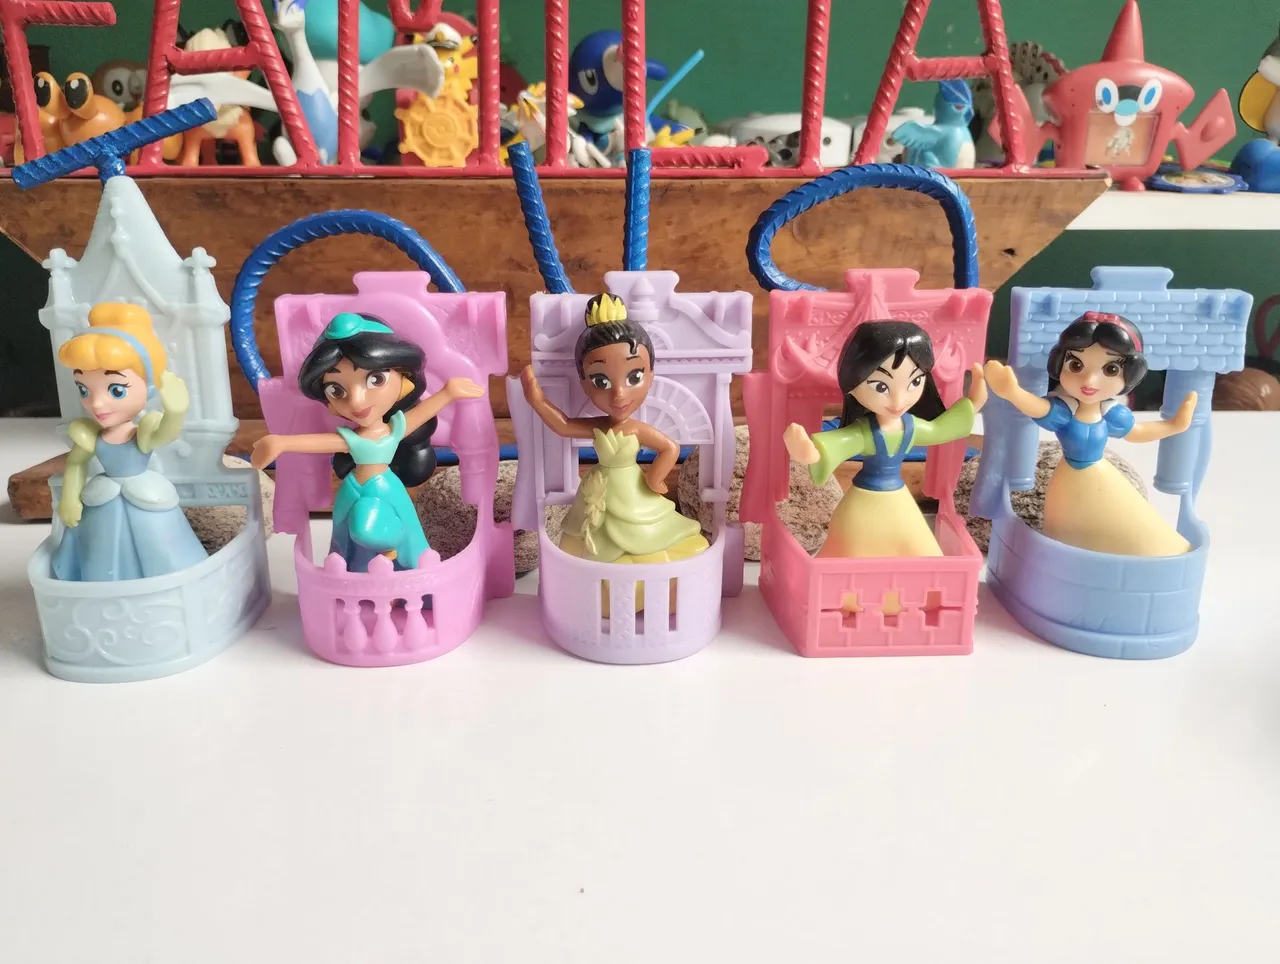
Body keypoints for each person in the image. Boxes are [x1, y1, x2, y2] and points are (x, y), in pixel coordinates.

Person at [250, 312, 484, 572]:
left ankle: (392, 549)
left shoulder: (392, 431)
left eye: (376, 379)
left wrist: (448, 393)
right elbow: (322, 442)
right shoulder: (352, 438)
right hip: (353, 489)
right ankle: (358, 571)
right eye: (336, 390)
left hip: (384, 487)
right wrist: (281, 443)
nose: (357, 401)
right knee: (345, 537)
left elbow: (419, 415)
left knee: (373, 530)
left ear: (404, 383)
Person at [519, 294, 708, 614]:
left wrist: (655, 479)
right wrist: (537, 400)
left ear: (650, 375)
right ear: (584, 382)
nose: (619, 394)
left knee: (645, 537)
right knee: (591, 538)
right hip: (600, 489)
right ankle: (596, 592)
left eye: (634, 377)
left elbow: (670, 447)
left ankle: (649, 589)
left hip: (633, 492)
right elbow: (564, 425)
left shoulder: (635, 428)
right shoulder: (600, 425)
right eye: (600, 380)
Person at [984, 311, 1196, 556]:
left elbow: (1136, 432)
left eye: (1111, 369)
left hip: (1099, 474)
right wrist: (1012, 393)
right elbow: (1038, 408)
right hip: (1069, 479)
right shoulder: (1065, 410)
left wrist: (1174, 426)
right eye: (1076, 365)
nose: (1090, 380)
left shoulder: (1110, 413)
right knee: (1067, 532)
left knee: (1128, 517)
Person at [785, 320, 987, 558]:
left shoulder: (911, 427)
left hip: (898, 500)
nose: (898, 401)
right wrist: (809, 452)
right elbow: (836, 444)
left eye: (914, 382)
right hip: (862, 505)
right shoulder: (865, 432)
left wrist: (972, 404)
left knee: (925, 551)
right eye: (881, 386)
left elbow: (939, 429)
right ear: (852, 382)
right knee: (850, 556)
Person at [52, 302, 207, 581]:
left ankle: (164, 587)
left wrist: (176, 412)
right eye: (84, 389)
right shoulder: (90, 434)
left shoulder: (141, 431)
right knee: (98, 551)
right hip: (102, 501)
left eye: (116, 390)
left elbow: (164, 434)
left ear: (149, 388)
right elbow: (75, 464)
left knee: (158, 549)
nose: (97, 403)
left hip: (144, 499)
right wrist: (70, 499)